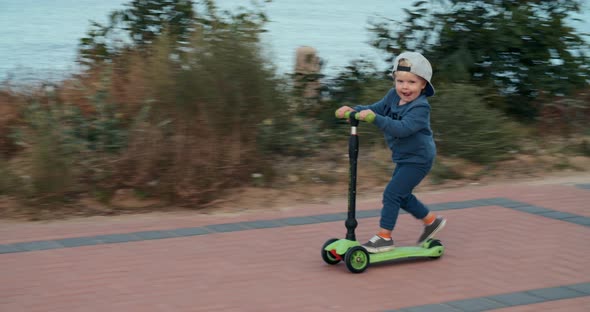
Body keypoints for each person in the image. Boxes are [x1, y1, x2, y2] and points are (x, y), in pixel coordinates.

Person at [335, 51, 446, 253]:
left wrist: (376, 119)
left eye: (412, 82)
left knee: (392, 194)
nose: (405, 87)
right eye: (400, 80)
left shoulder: (421, 108)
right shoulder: (393, 96)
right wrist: (354, 110)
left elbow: (402, 129)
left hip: (419, 158)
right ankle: (431, 222)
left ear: (423, 85)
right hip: (404, 157)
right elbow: (374, 109)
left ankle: (385, 237)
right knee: (401, 195)